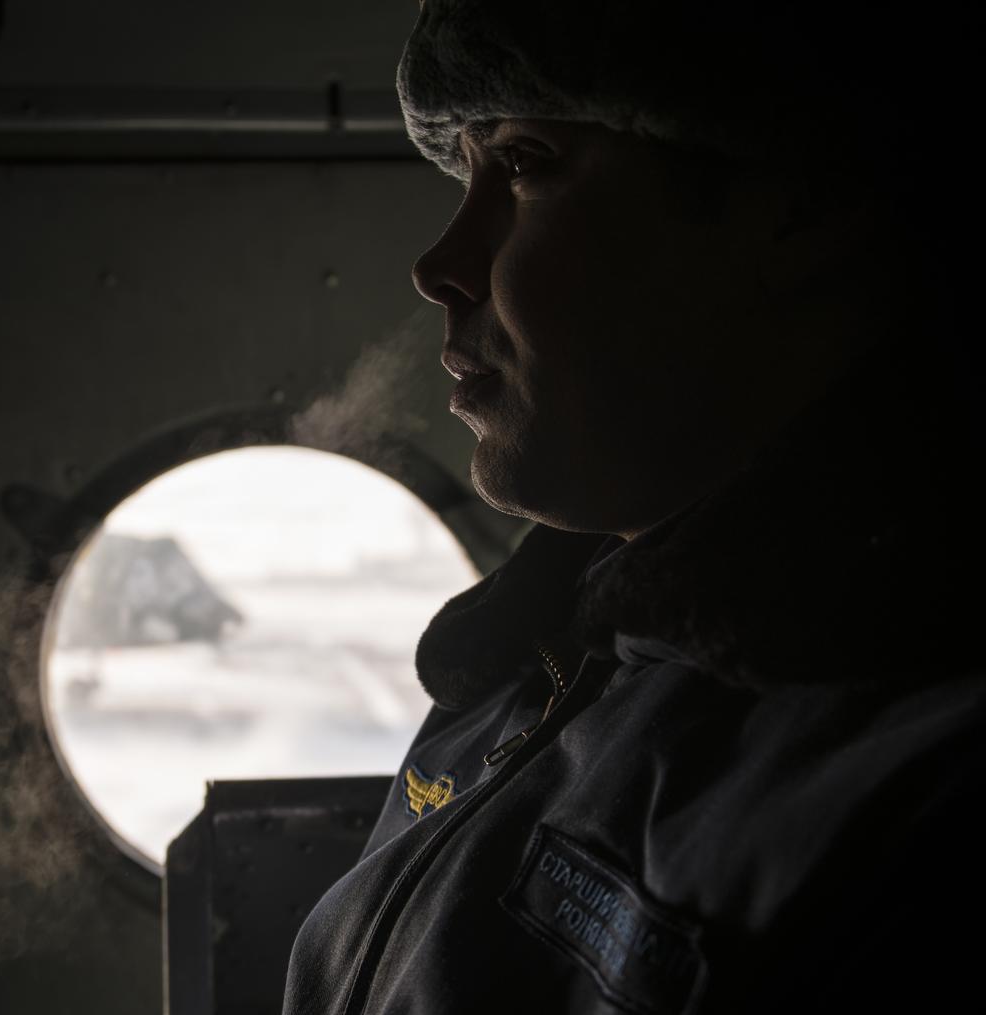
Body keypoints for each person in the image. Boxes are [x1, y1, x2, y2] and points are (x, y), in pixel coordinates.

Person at [282, 1, 984, 1013]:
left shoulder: (911, 785)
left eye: (524, 164)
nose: (438, 265)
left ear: (795, 205)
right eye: (465, 174)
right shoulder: (525, 660)